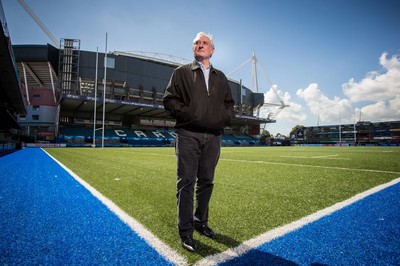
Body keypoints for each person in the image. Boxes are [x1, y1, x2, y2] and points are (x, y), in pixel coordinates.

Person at [163, 32, 235, 252]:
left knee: (207, 182)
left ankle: (200, 222)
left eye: (204, 43)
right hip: (188, 135)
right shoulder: (181, 73)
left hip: (213, 137)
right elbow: (169, 99)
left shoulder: (221, 77)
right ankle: (186, 232)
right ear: (193, 48)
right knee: (186, 182)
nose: (200, 45)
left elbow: (230, 104)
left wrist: (222, 119)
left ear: (212, 50)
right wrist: (189, 115)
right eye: (197, 43)